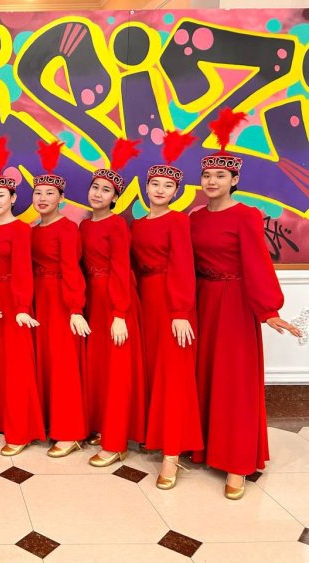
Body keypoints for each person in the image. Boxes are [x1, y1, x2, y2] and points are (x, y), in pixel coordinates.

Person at [190, 108, 302, 500]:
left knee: (234, 381)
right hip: (202, 303)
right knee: (205, 376)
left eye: (220, 176)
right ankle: (205, 448)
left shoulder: (246, 216)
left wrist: (268, 310)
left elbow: (256, 263)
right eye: (207, 175)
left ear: (234, 180)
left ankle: (237, 461)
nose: (211, 181)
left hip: (235, 305)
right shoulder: (194, 218)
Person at [130, 130, 203, 489]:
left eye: (167, 186)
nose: (160, 190)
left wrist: (180, 312)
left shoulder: (178, 221)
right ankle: (153, 436)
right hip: (145, 303)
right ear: (146, 188)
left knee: (174, 376)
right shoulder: (138, 224)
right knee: (150, 372)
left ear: (176, 192)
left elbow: (183, 266)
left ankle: (172, 455)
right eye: (155, 184)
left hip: (172, 304)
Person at [80, 138, 146, 467]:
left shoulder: (117, 224)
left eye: (106, 190)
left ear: (115, 198)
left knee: (118, 369)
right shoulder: (84, 224)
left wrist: (120, 313)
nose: (98, 193)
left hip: (116, 300)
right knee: (100, 368)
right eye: (95, 187)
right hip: (93, 300)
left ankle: (117, 441)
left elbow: (122, 268)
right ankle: (104, 426)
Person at [0, 136, 45, 456]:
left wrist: (21, 306)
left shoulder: (21, 229)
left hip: (14, 302)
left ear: (14, 197)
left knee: (17, 366)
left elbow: (22, 270)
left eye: (1, 196)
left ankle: (21, 431)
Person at [30, 139, 90, 458]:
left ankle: (70, 432)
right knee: (43, 363)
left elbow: (72, 270)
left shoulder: (68, 229)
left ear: (61, 198)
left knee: (64, 365)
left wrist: (75, 309)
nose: (42, 198)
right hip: (37, 300)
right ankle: (46, 423)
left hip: (61, 301)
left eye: (49, 193)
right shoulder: (31, 230)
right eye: (38, 193)